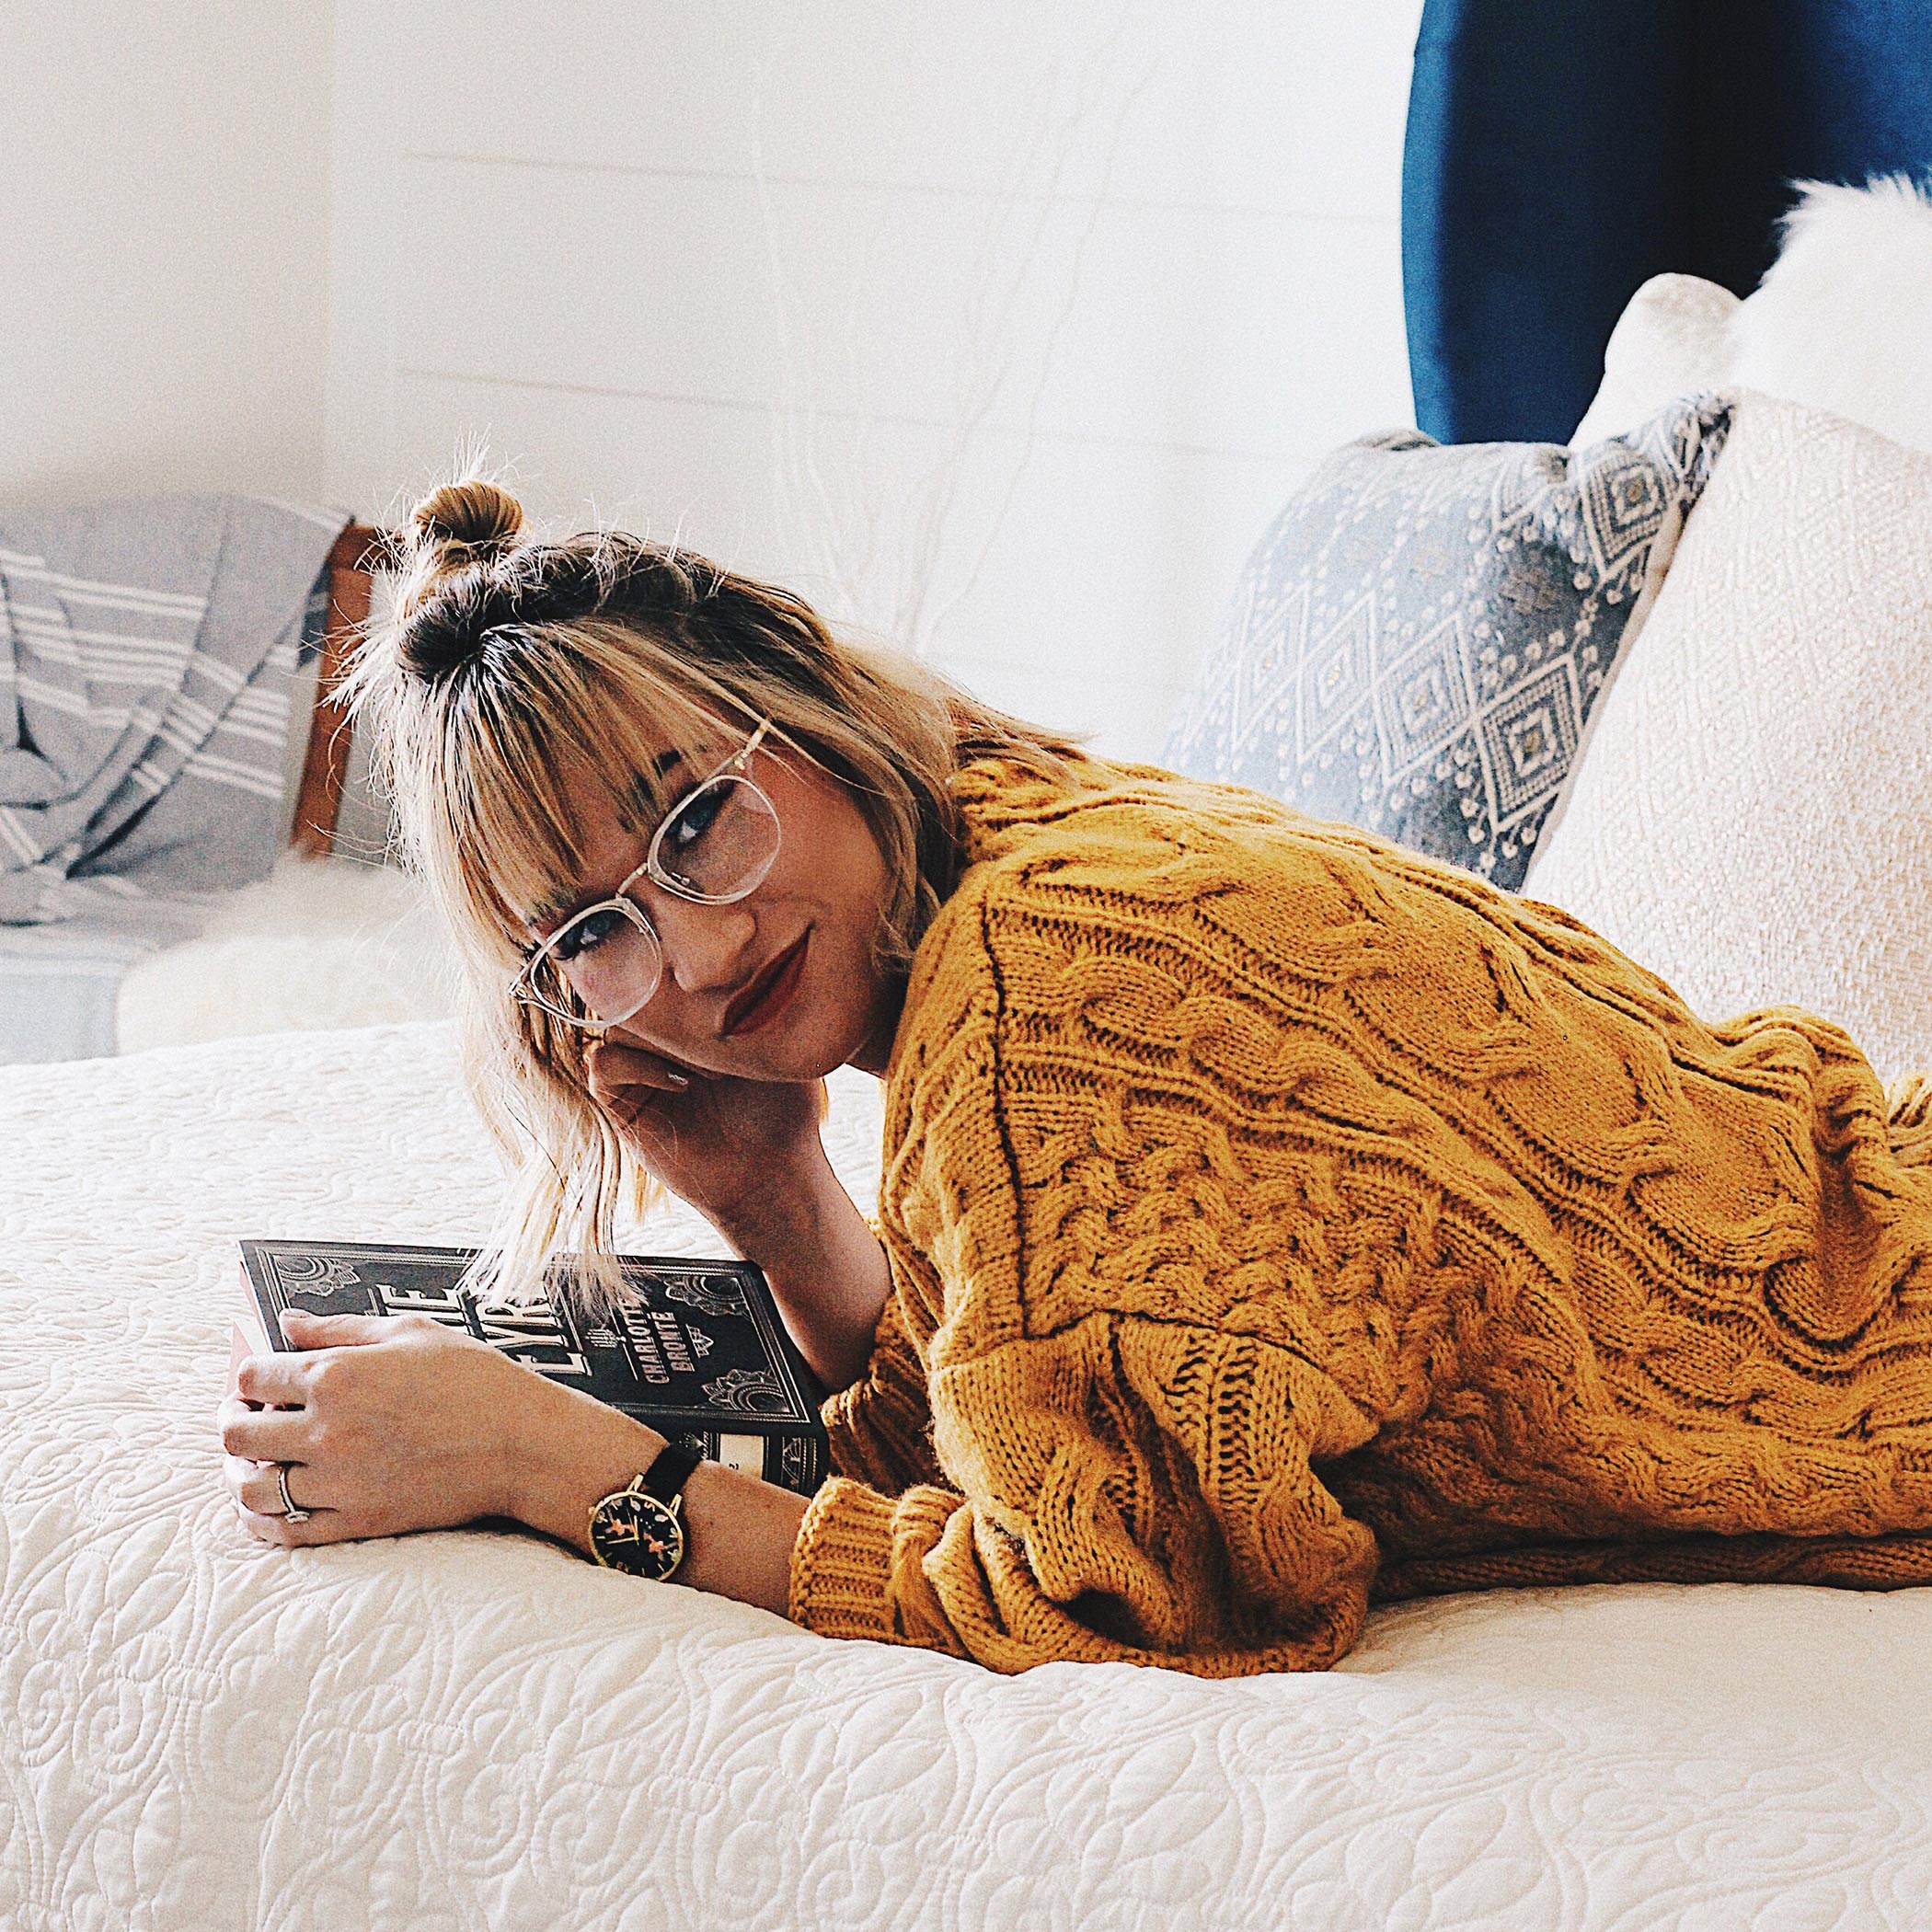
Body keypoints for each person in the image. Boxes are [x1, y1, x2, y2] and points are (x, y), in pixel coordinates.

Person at [218, 478, 1932, 1677]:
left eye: (698, 819)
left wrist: (551, 1463)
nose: (701, 956)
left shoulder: (1044, 1000)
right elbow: (1020, 1432)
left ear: (804, 709)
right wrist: (781, 1208)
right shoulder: (1024, 827)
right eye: (595, 931)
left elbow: (1111, 1596)